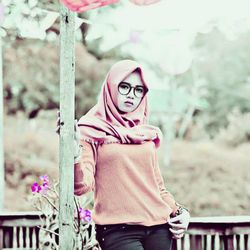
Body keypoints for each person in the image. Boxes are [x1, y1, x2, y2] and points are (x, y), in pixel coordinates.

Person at [56, 60, 190, 250]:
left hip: (159, 227)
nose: (131, 95)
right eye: (124, 87)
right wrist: (74, 153)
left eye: (138, 90)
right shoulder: (90, 130)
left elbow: (157, 186)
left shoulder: (144, 133)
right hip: (117, 230)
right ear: (110, 88)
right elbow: (81, 186)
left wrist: (181, 212)